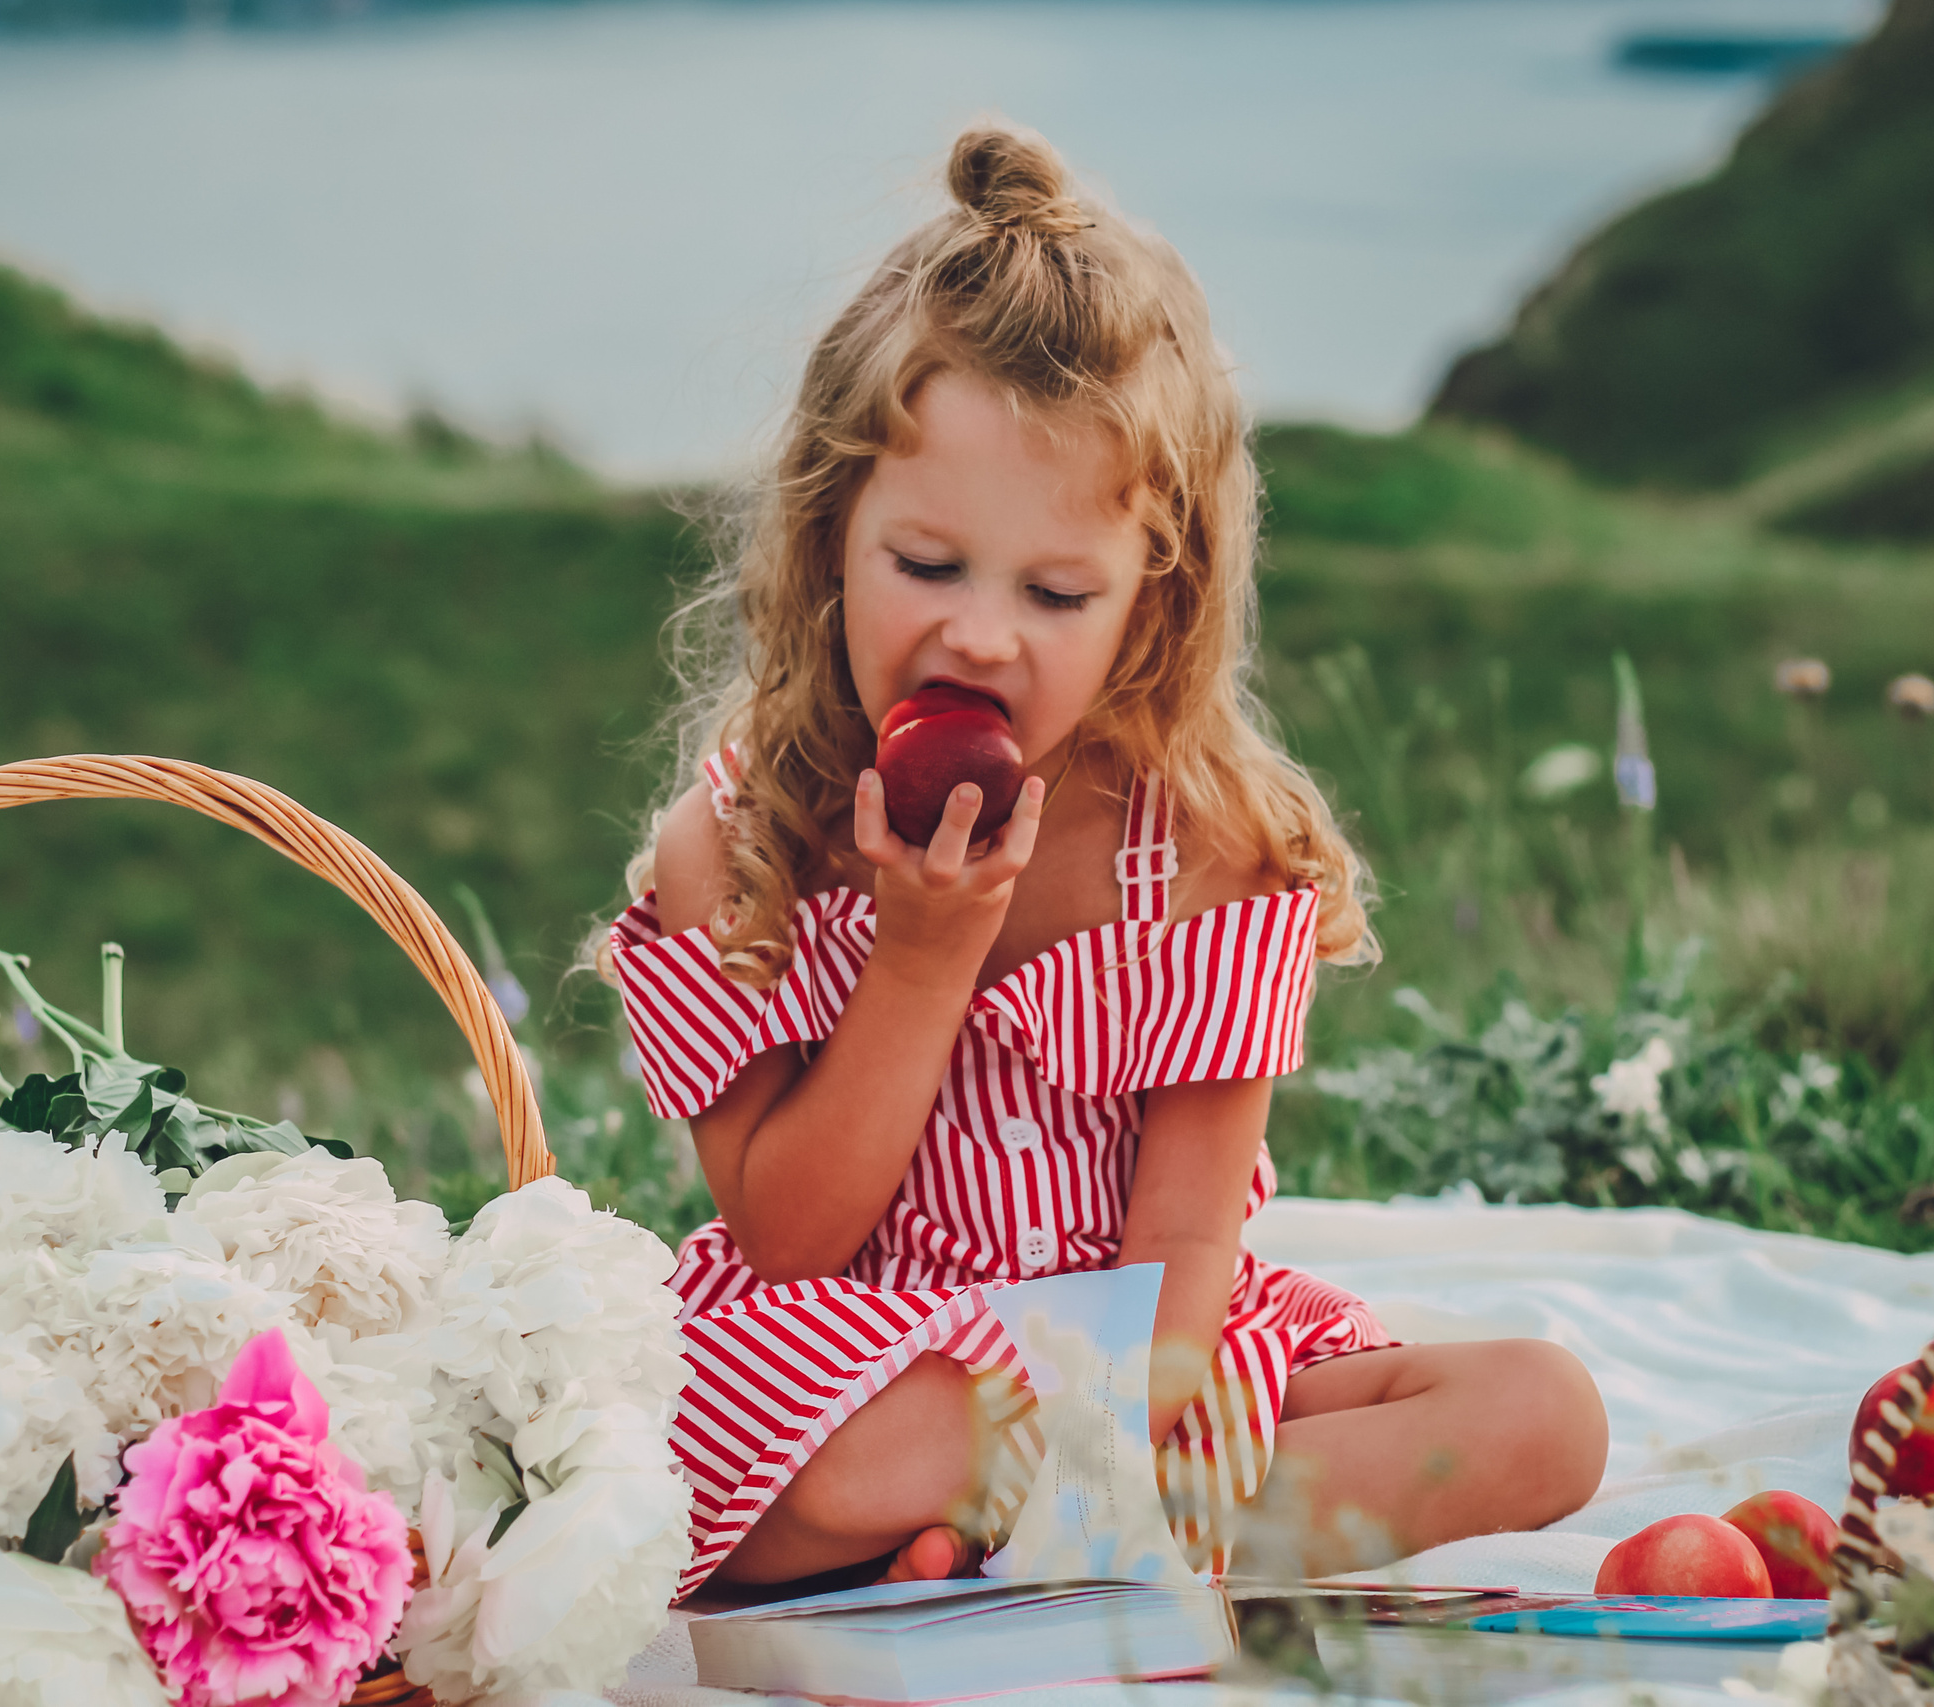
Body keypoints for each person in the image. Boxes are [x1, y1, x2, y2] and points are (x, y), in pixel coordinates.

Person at [599, 122, 1606, 1600]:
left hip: (1138, 1355)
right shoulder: (738, 848)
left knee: (1542, 1420)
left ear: (1152, 601)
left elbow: (1189, 1236)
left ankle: (1019, 1545)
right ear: (829, 540)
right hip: (853, 1362)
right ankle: (1056, 1541)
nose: (983, 633)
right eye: (926, 566)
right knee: (775, 1464)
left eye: (1057, 590)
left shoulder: (1206, 852)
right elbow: (794, 1239)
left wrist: (1114, 1439)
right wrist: (921, 955)